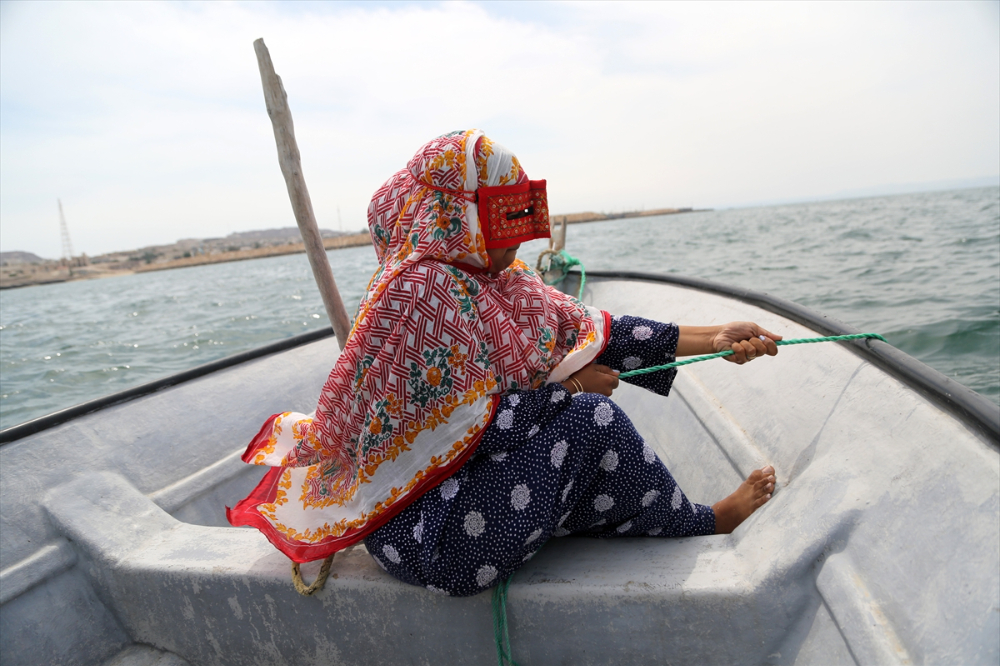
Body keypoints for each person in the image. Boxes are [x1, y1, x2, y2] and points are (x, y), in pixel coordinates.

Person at [228, 130, 778, 596]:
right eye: (503, 218)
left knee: (580, 423)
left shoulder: (499, 281)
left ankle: (640, 516)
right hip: (425, 528)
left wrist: (712, 338)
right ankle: (703, 521)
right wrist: (569, 391)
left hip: (471, 486)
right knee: (592, 422)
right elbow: (465, 424)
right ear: (457, 215)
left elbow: (588, 329)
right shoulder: (419, 291)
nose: (516, 240)